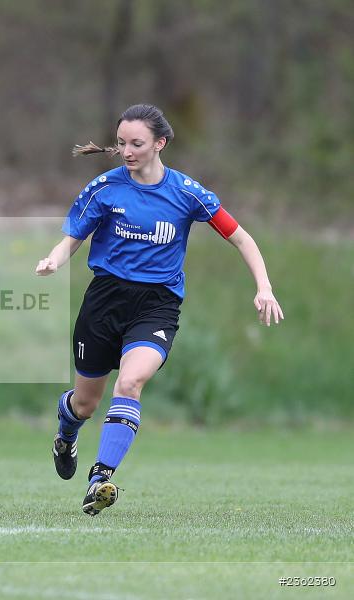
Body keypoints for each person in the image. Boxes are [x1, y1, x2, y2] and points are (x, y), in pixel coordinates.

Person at [36, 104, 283, 515]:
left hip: (157, 306)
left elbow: (241, 238)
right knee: (85, 405)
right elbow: (72, 238)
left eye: (137, 143)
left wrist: (264, 286)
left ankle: (100, 478)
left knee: (130, 383)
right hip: (104, 303)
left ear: (160, 143)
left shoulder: (187, 193)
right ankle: (66, 434)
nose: (127, 151)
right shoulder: (105, 188)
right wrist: (54, 260)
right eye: (122, 143)